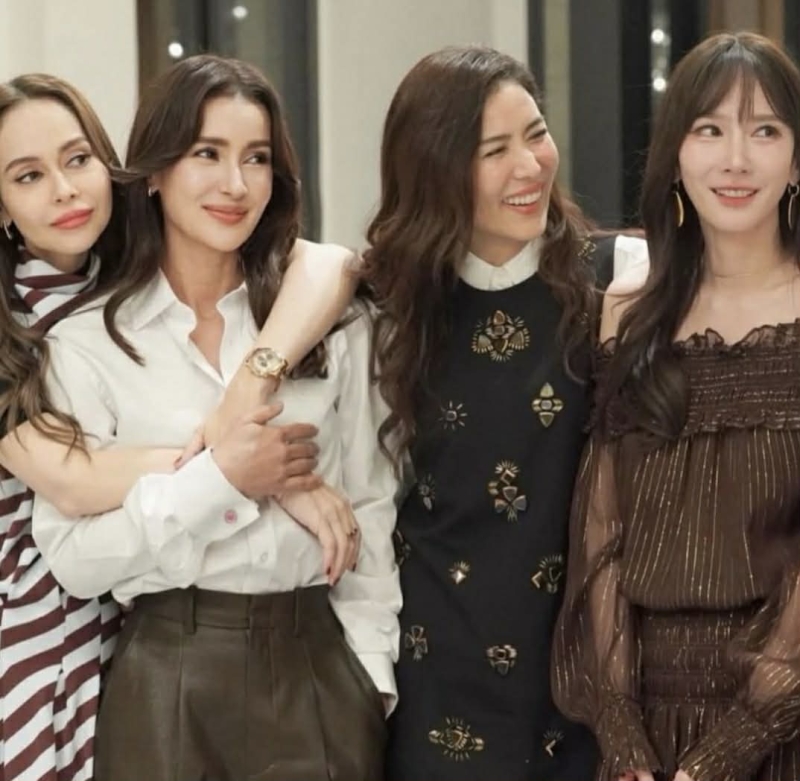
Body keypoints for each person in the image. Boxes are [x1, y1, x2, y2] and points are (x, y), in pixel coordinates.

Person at [32, 54, 400, 781]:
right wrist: (224, 479)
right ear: (155, 172)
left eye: (256, 158)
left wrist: (370, 675)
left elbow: (371, 502)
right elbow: (75, 559)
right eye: (207, 153)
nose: (236, 184)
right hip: (165, 672)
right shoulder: (87, 344)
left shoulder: (333, 324)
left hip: (317, 666)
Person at [363, 45, 647, 781]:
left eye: (536, 133)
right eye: (495, 151)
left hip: (587, 683)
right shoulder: (388, 311)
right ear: (436, 170)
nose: (530, 166)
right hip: (433, 683)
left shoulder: (621, 280)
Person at [552, 31, 800, 781]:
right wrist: (623, 734)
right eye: (710, 130)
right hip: (646, 728)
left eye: (765, 131)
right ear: (676, 155)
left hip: (781, 718)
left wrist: (729, 749)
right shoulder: (628, 312)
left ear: (796, 159)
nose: (736, 160)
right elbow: (601, 534)